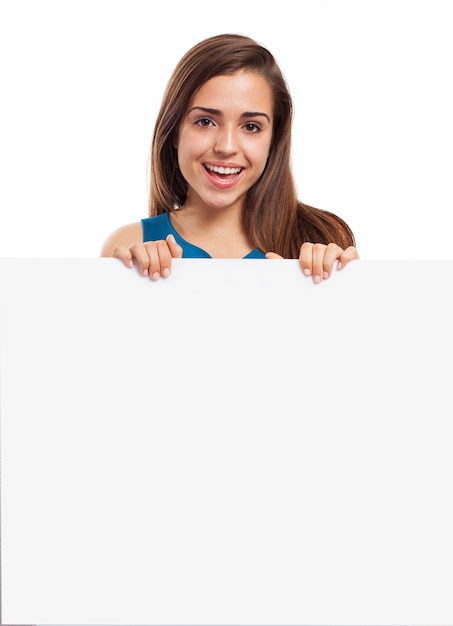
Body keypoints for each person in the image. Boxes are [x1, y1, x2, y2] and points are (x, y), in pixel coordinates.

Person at [101, 33, 359, 283]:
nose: (226, 146)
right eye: (205, 121)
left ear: (273, 139)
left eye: (250, 127)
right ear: (175, 132)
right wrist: (135, 288)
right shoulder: (129, 247)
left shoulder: (323, 240)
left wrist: (338, 290)